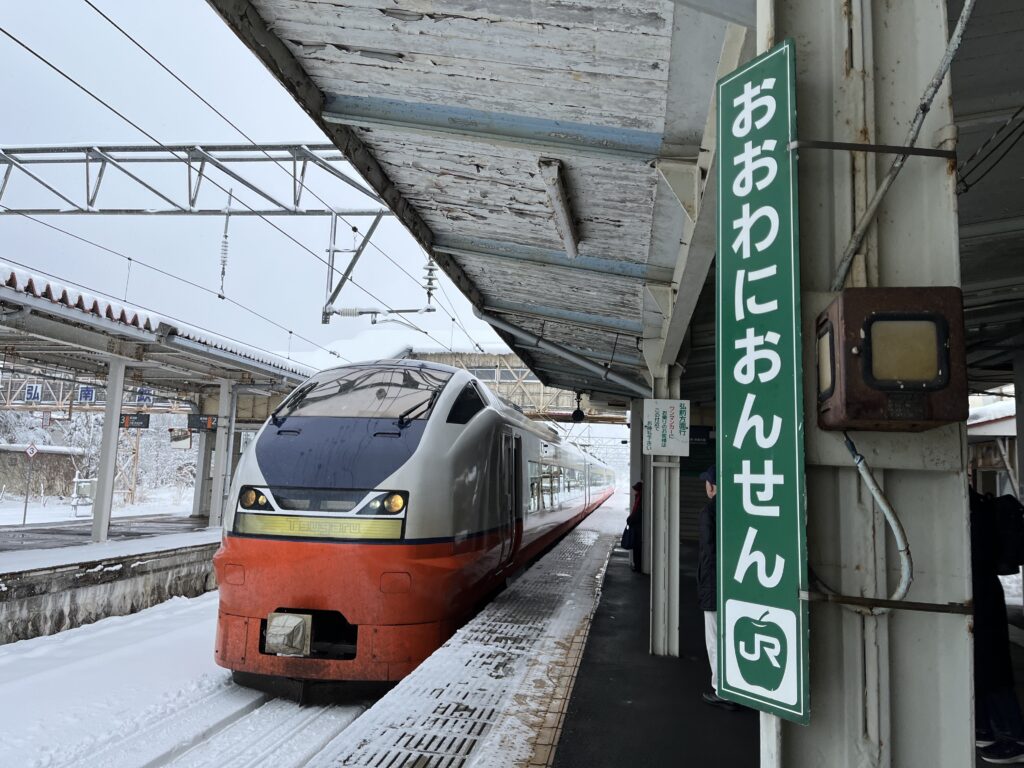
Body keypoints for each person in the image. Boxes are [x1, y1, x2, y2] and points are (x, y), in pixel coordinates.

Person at [971, 483, 1024, 763]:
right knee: (985, 665)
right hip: (983, 592)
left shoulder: (971, 511)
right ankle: (985, 727)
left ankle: (1015, 735)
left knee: (990, 667)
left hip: (979, 593)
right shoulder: (977, 506)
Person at [697, 465, 738, 711]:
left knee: (714, 640)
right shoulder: (738, 509)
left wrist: (706, 588)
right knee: (731, 636)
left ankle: (722, 689)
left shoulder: (709, 512)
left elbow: (709, 554)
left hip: (714, 586)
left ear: (713, 487)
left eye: (707, 482)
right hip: (736, 584)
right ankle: (736, 686)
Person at [626, 481, 643, 572]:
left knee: (637, 547)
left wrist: (630, 519)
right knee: (636, 547)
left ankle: (638, 567)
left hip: (638, 528)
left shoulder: (640, 499)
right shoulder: (638, 497)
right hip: (636, 526)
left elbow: (637, 513)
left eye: (636, 489)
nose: (634, 491)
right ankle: (637, 565)